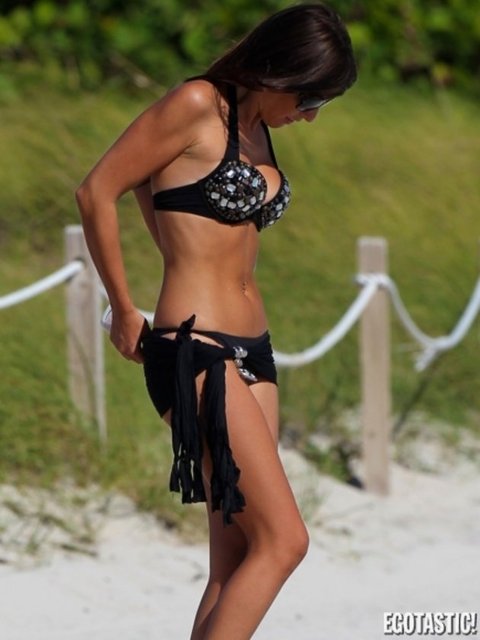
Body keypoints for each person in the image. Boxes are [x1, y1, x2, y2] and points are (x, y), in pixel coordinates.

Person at [76, 3, 357, 638]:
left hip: (256, 352)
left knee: (236, 559)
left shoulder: (258, 129)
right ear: (281, 70)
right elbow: (97, 191)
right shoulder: (197, 104)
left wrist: (171, 241)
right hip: (195, 346)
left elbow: (154, 187)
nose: (310, 115)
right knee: (285, 541)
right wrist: (124, 306)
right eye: (311, 97)